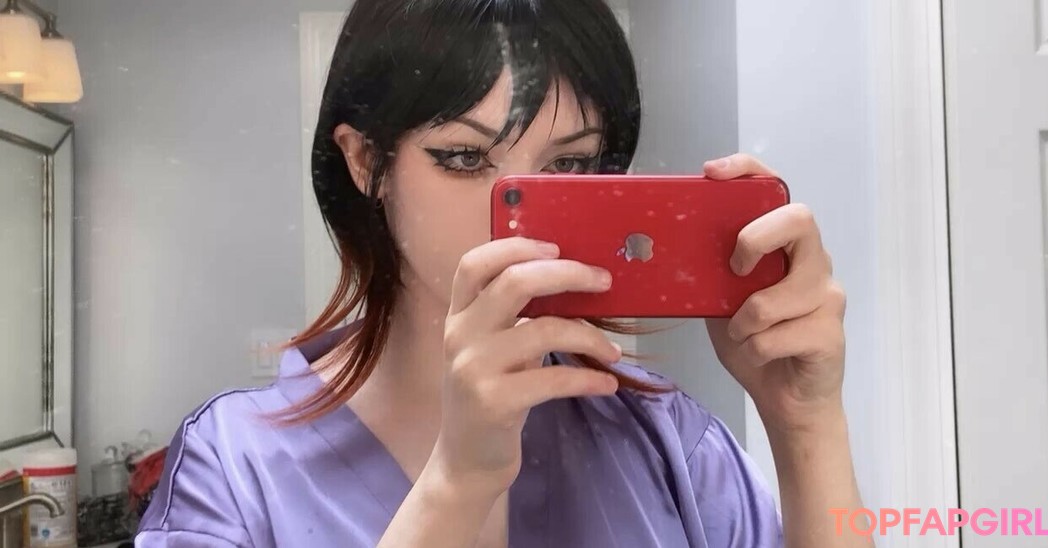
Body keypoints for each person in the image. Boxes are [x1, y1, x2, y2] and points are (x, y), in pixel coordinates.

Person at [135, 0, 870, 546]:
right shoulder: (234, 465)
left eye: (569, 165)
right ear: (365, 162)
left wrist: (806, 426)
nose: (518, 220)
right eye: (464, 157)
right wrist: (456, 487)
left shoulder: (664, 436)